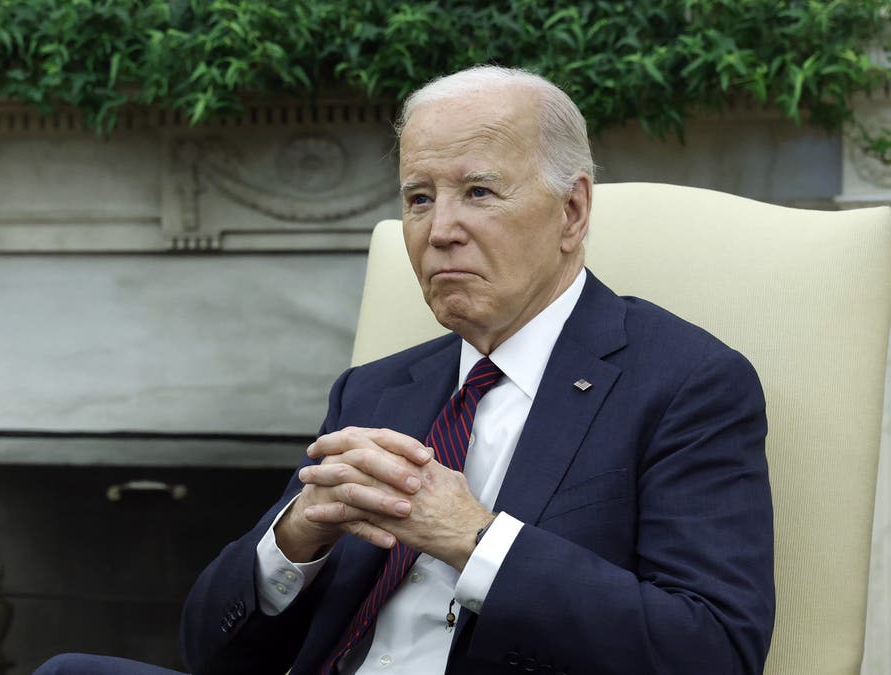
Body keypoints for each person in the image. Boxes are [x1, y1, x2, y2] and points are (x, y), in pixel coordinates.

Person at [38, 65, 775, 675]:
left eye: (478, 191)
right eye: (418, 198)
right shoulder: (376, 388)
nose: (438, 229)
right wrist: (294, 540)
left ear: (572, 211)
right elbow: (209, 651)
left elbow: (712, 650)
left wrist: (475, 538)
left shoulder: (686, 383)